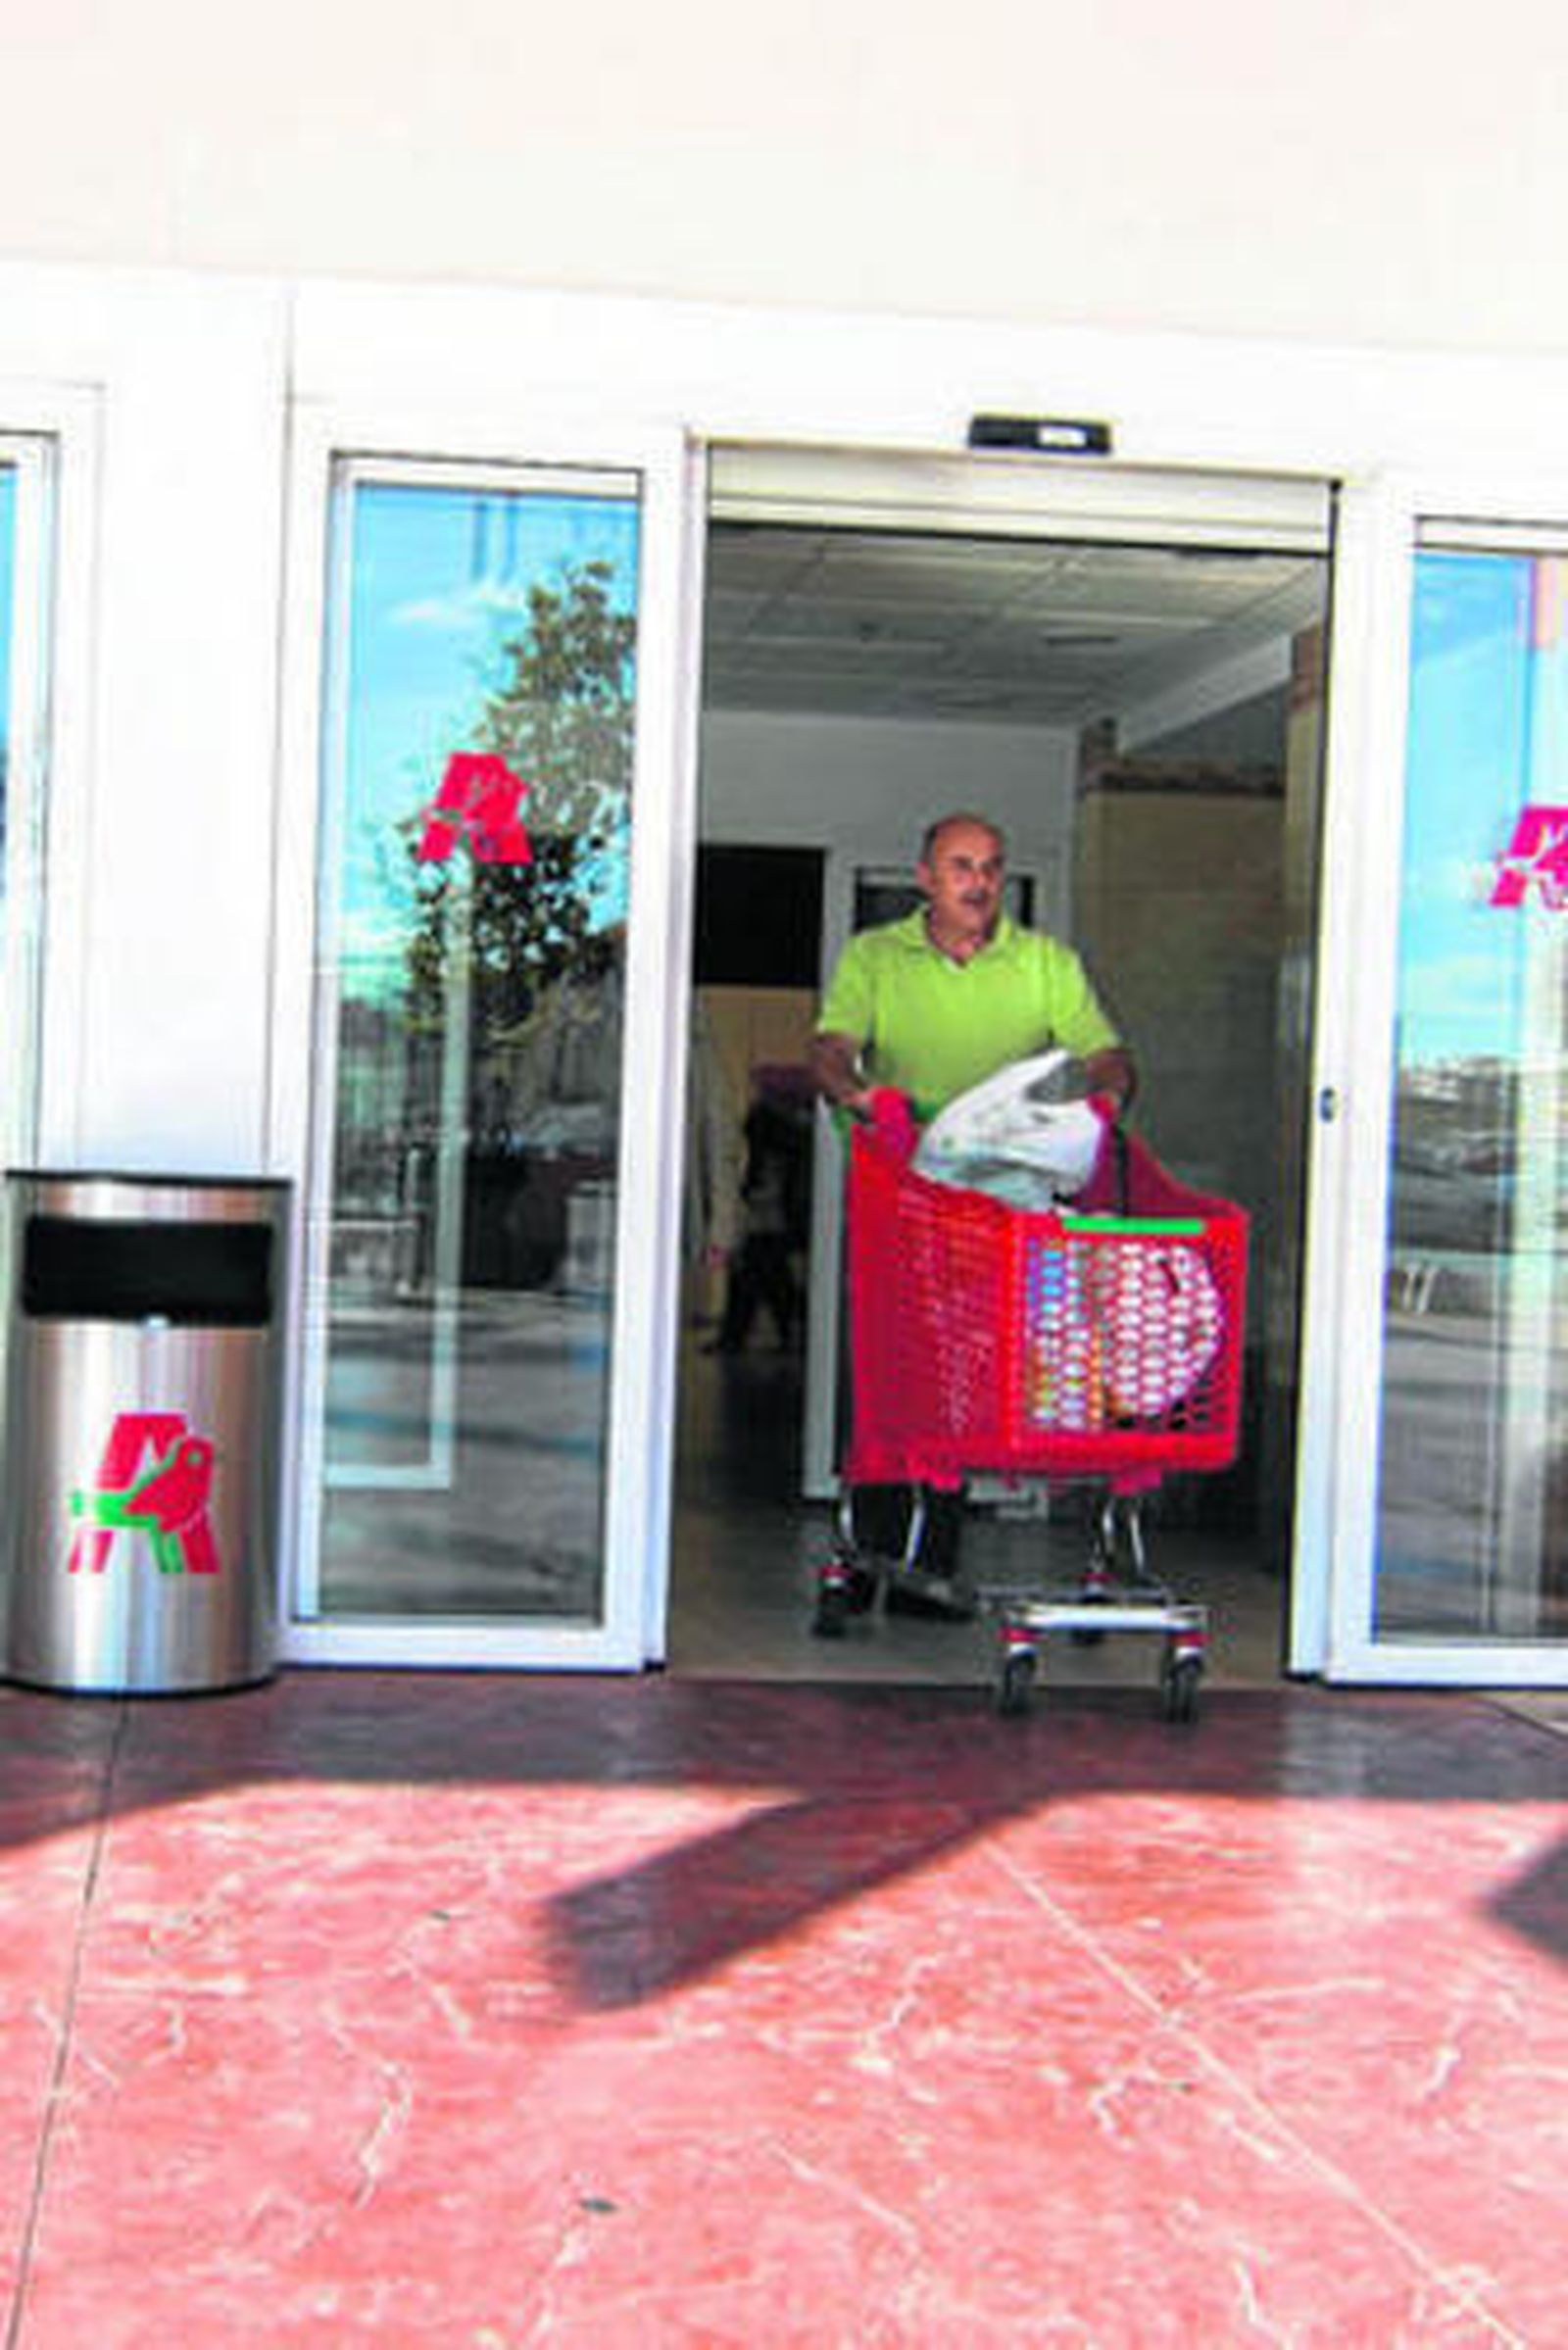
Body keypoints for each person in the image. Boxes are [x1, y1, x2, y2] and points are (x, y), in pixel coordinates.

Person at [808, 810, 1136, 1616]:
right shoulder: (876, 956)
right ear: (925, 877)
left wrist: (1106, 1095)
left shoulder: (1043, 964)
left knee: (962, 1375)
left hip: (997, 1203)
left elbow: (1105, 1049)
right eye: (960, 866)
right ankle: (868, 1553)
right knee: (890, 1375)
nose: (979, 882)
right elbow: (831, 1045)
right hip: (901, 1195)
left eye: (991, 866)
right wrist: (853, 1089)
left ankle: (932, 1565)